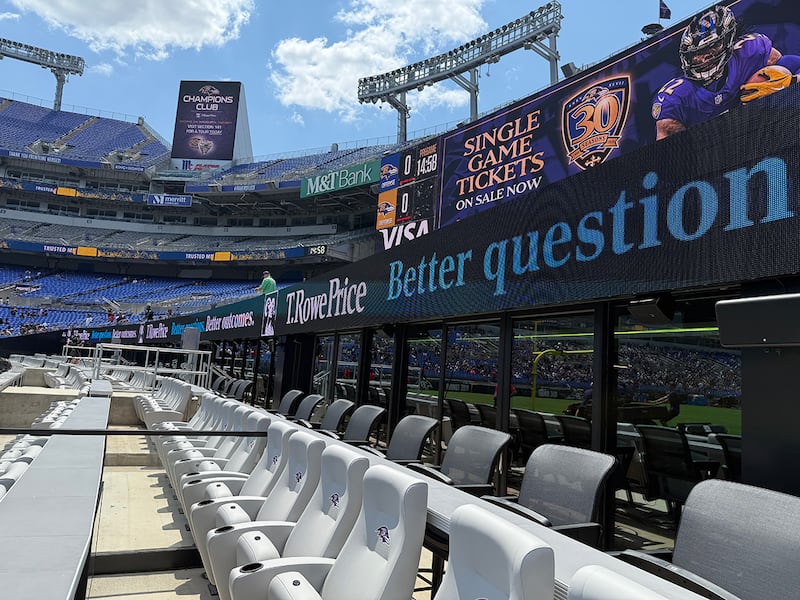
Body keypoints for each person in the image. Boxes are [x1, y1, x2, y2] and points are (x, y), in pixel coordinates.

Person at [652, 4, 800, 140]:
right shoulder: (676, 96)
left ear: (728, 41)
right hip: (710, 155)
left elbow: (792, 63)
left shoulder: (748, 52)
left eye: (711, 48)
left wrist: (792, 83)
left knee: (778, 72)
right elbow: (668, 156)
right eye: (696, 54)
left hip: (762, 133)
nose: (702, 58)